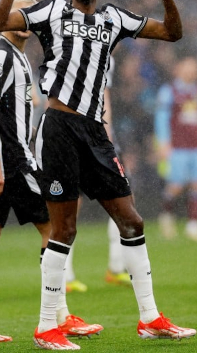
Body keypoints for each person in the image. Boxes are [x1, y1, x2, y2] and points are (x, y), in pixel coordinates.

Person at [0, 0, 196, 349]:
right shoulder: (51, 11)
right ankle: (46, 326)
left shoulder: (113, 19)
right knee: (64, 228)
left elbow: (172, 33)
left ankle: (150, 318)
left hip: (96, 133)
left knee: (132, 222)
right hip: (59, 128)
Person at [0, 0, 103, 344]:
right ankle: (57, 318)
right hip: (9, 162)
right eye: (19, 14)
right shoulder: (1, 54)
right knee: (57, 229)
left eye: (29, 15)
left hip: (0, 161)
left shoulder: (17, 55)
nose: (24, 22)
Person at [65, 57, 131, 294]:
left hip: (90, 134)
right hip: (76, 135)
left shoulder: (103, 54)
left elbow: (104, 96)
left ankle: (116, 266)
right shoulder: (70, 48)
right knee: (71, 203)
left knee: (121, 196)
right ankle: (66, 275)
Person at [155, 56, 197, 242]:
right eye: (188, 67)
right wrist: (163, 141)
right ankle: (166, 217)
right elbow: (161, 117)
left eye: (194, 68)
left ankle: (194, 225)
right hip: (178, 147)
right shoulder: (168, 91)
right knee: (176, 186)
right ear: (178, 69)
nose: (191, 71)